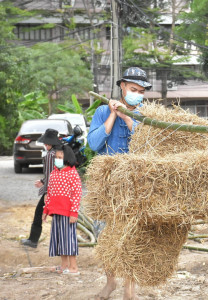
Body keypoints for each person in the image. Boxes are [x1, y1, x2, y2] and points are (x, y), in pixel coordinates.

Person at [88, 67, 151, 300]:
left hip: (136, 182)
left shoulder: (145, 113)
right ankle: (111, 282)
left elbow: (147, 143)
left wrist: (127, 116)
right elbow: (94, 144)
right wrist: (113, 115)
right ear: (122, 86)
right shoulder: (102, 111)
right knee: (105, 235)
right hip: (107, 182)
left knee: (133, 235)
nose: (137, 94)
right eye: (133, 89)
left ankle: (129, 289)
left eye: (141, 91)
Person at [42, 144, 82, 275]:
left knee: (68, 240)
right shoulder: (53, 173)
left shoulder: (72, 173)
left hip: (68, 214)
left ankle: (74, 268)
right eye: (56, 157)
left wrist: (74, 212)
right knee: (59, 240)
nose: (57, 159)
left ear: (67, 158)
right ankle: (64, 265)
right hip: (56, 212)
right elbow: (50, 193)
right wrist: (45, 211)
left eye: (60, 157)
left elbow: (77, 194)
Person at [21, 129, 62, 248]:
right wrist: (43, 181)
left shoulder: (50, 155)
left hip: (51, 190)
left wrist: (46, 192)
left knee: (39, 213)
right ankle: (61, 242)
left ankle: (33, 240)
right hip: (59, 189)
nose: (45, 145)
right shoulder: (59, 153)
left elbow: (51, 174)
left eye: (46, 143)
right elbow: (55, 173)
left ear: (49, 143)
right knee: (58, 216)